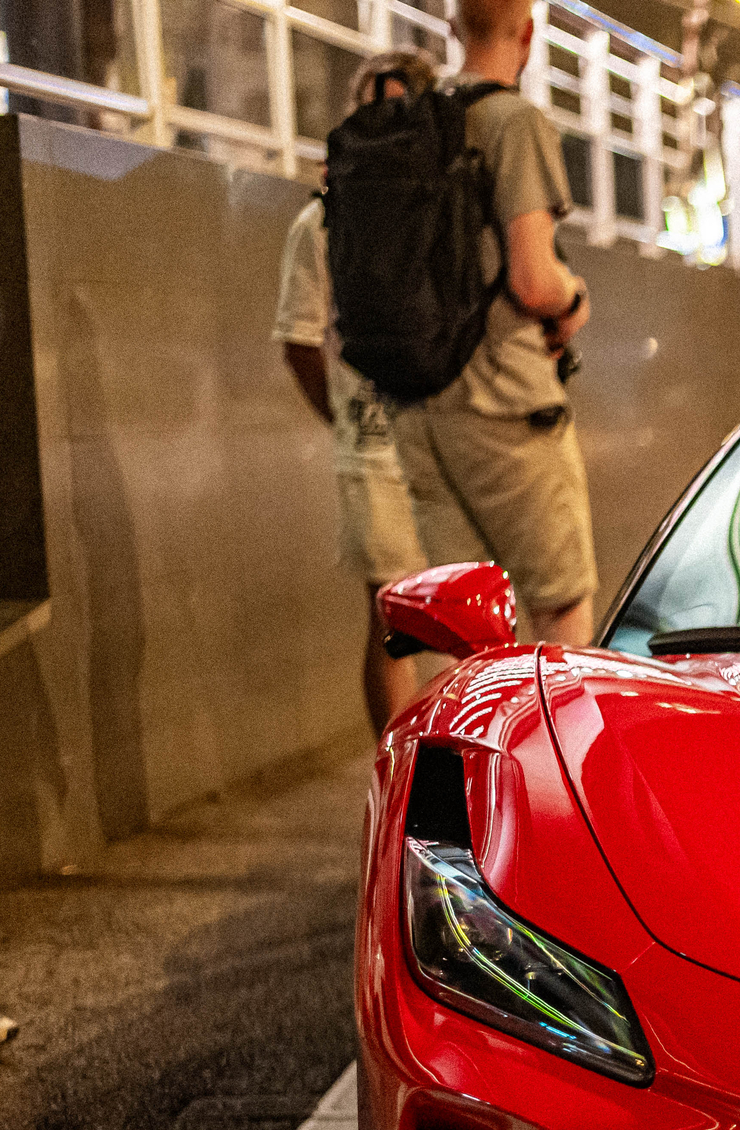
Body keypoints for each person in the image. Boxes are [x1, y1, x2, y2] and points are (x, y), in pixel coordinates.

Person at [388, 0, 598, 647]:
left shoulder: (410, 125)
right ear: (528, 34)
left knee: (461, 628)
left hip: (421, 409)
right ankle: (550, 751)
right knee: (560, 606)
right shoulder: (515, 122)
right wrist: (574, 296)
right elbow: (533, 280)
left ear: (453, 27)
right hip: (506, 403)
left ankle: (467, 748)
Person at [272, 48, 437, 733]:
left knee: (422, 617)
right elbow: (299, 342)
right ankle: (407, 775)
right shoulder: (326, 221)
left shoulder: (327, 220)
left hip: (416, 441)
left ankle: (431, 771)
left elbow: (298, 343)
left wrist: (344, 419)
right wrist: (346, 418)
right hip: (394, 443)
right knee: (397, 615)